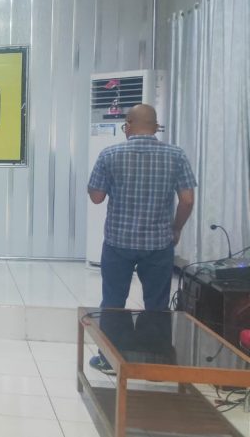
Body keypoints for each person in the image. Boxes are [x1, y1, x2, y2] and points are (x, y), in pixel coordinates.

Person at [87, 104, 195, 373]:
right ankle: (154, 364)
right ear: (155, 126)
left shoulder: (110, 154)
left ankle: (110, 360)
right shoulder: (176, 155)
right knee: (156, 305)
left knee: (113, 302)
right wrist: (176, 228)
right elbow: (187, 200)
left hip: (118, 242)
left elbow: (96, 197)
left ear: (129, 124)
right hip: (158, 244)